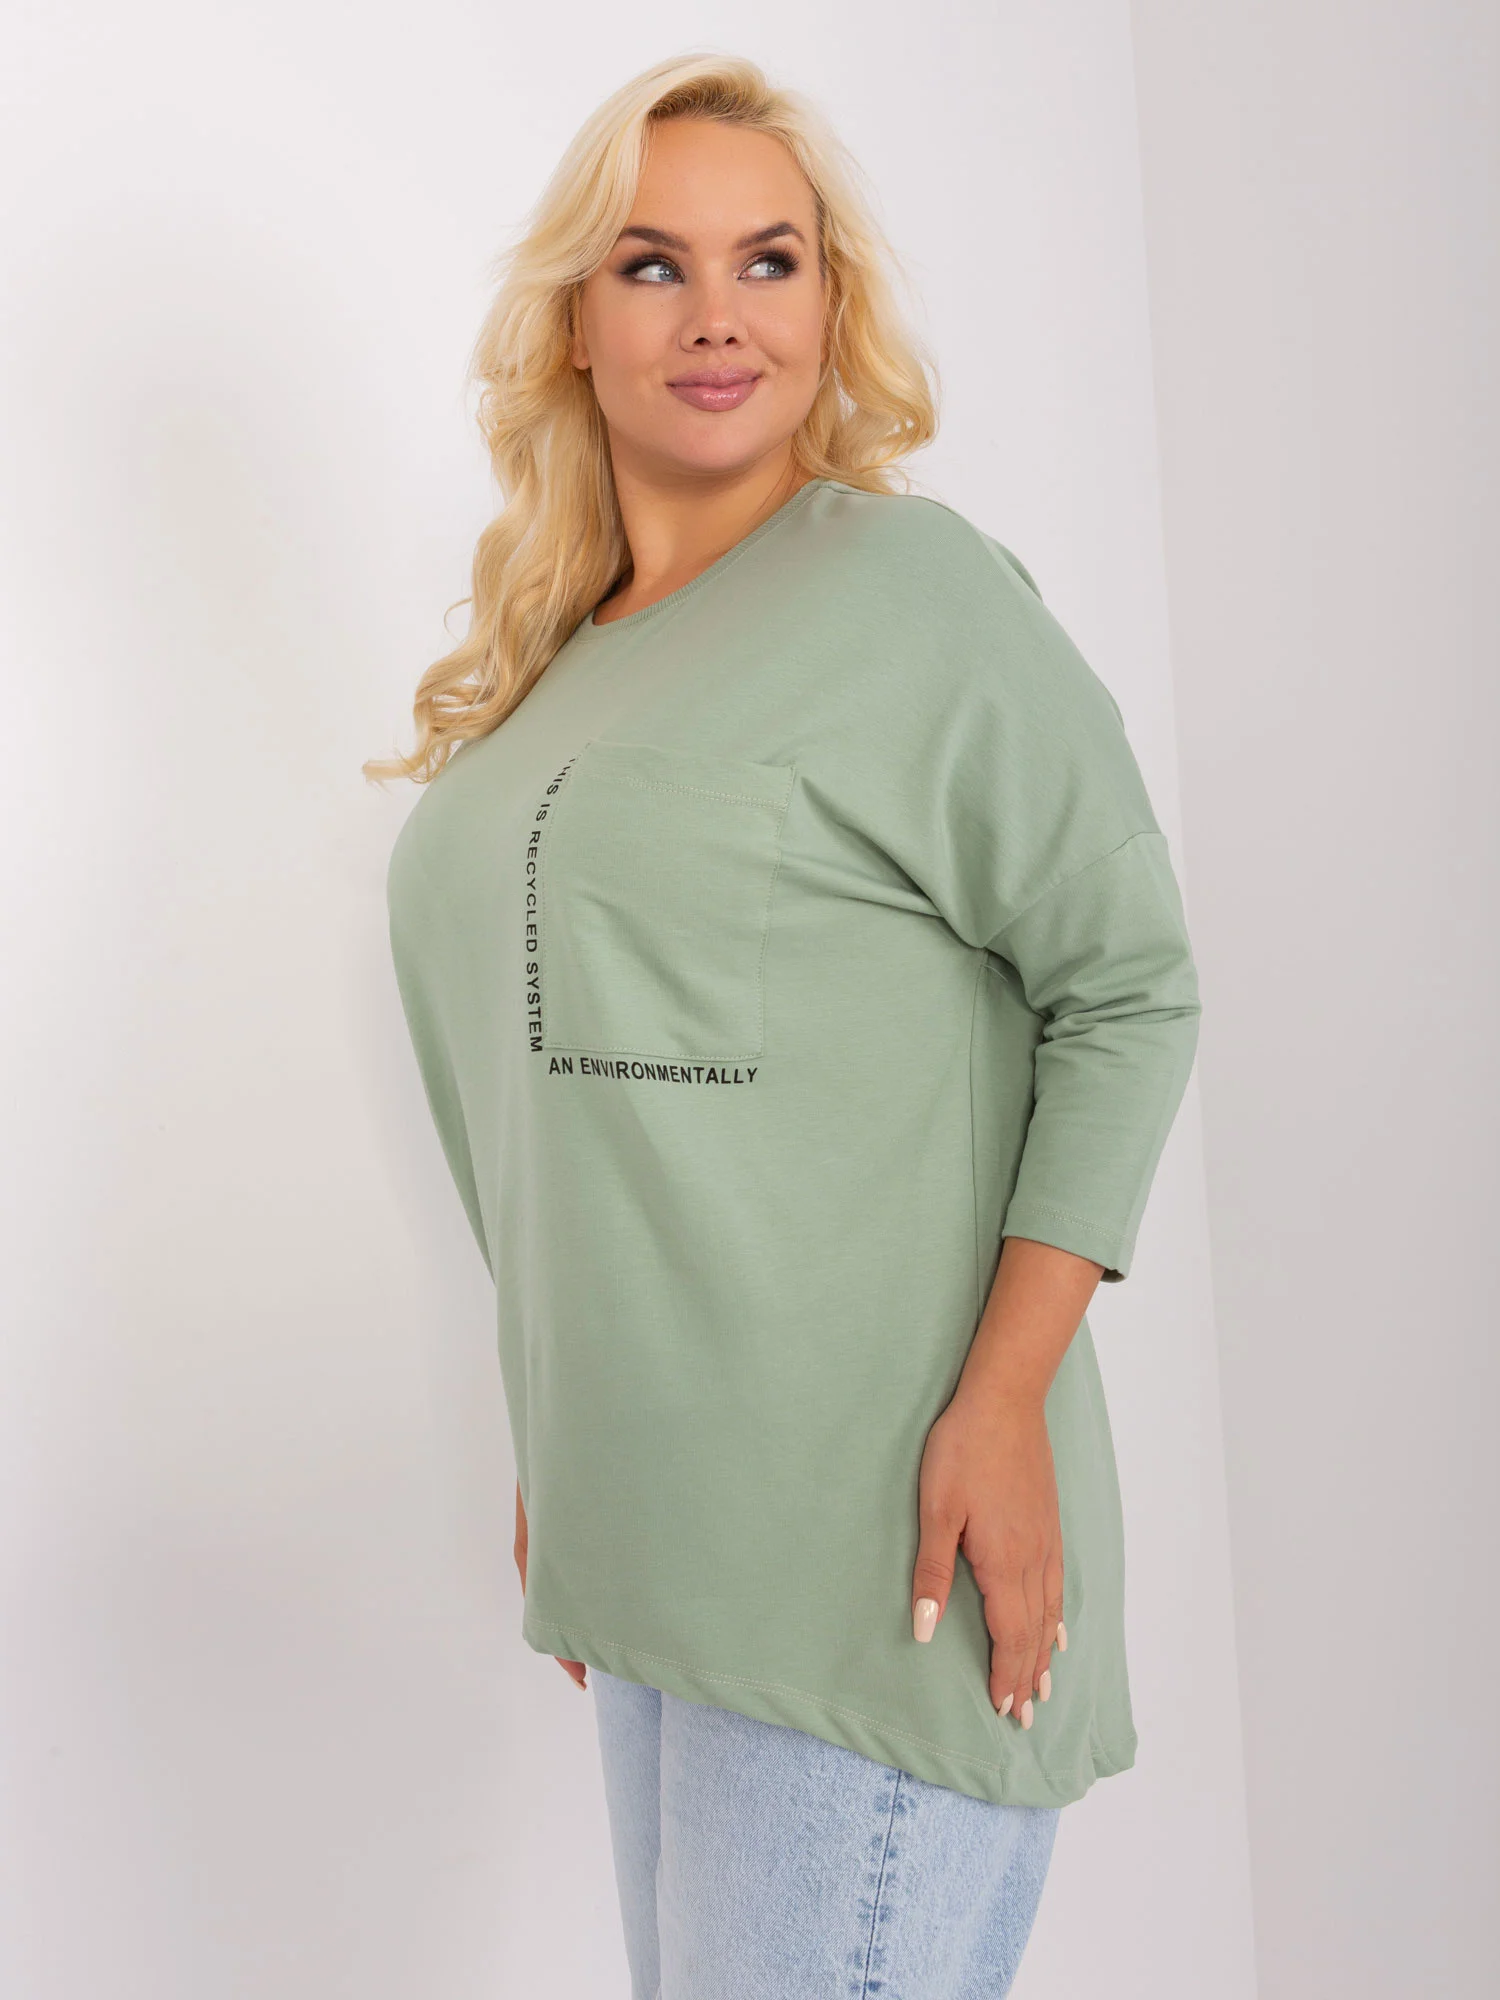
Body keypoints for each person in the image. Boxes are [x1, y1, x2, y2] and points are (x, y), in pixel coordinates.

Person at [369, 50, 1201, 2000]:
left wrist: (1005, 1403)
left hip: (872, 1548)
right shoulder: (556, 669)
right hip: (654, 1544)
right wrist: (567, 1442)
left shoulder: (913, 595)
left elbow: (1126, 984)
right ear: (575, 320)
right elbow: (544, 1111)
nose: (718, 313)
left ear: (832, 304)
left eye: (771, 260)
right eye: (653, 264)